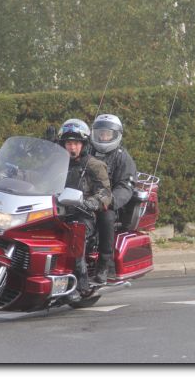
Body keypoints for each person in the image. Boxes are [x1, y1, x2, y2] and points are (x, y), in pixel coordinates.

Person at [57, 118, 112, 301]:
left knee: (75, 235)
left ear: (83, 144)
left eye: (75, 143)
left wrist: (93, 202)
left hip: (83, 214)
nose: (71, 148)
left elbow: (106, 192)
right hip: (58, 211)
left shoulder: (94, 165)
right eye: (68, 143)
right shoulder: (58, 164)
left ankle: (80, 283)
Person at [89, 114, 137, 284]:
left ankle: (105, 264)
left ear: (116, 135)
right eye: (100, 133)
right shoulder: (87, 151)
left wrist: (110, 201)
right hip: (85, 198)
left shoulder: (122, 157)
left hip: (107, 202)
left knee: (106, 217)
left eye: (107, 134)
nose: (103, 137)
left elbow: (125, 185)